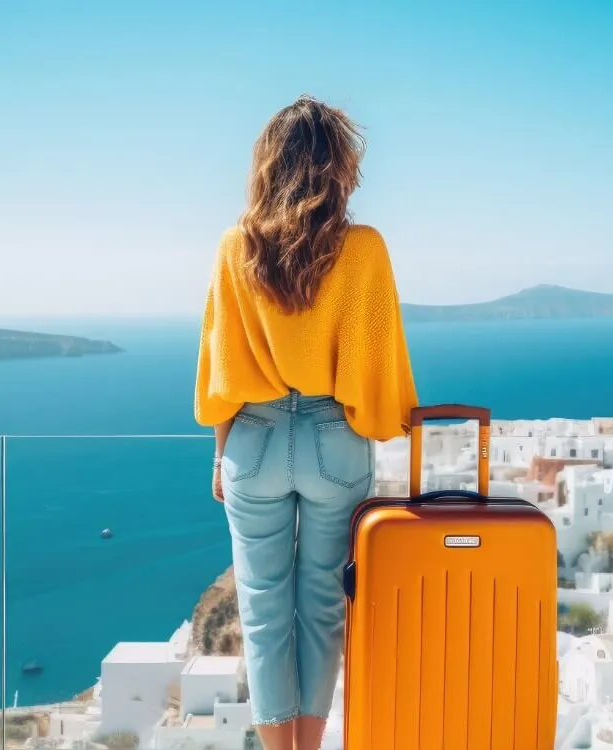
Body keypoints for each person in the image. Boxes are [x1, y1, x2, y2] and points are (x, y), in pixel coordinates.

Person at [194, 95, 418, 750]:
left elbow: (222, 364)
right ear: (340, 167)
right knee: (322, 613)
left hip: (254, 440)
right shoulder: (364, 249)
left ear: (268, 164)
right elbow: (377, 368)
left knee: (263, 617)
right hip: (331, 440)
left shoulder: (235, 246)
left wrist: (219, 454)